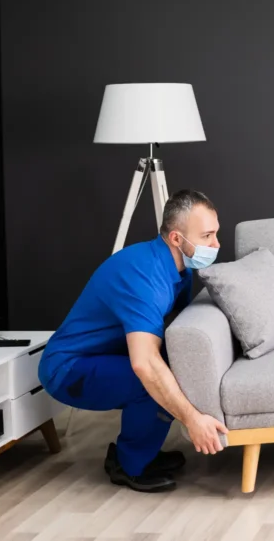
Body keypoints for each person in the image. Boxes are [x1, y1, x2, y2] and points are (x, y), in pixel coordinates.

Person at [38, 189, 228, 492]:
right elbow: (145, 365)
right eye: (207, 236)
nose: (216, 245)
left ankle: (142, 452)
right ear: (176, 238)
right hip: (69, 369)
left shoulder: (179, 269)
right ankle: (130, 465)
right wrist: (193, 420)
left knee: (170, 368)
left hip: (109, 355)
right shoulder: (145, 277)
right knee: (151, 379)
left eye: (215, 233)